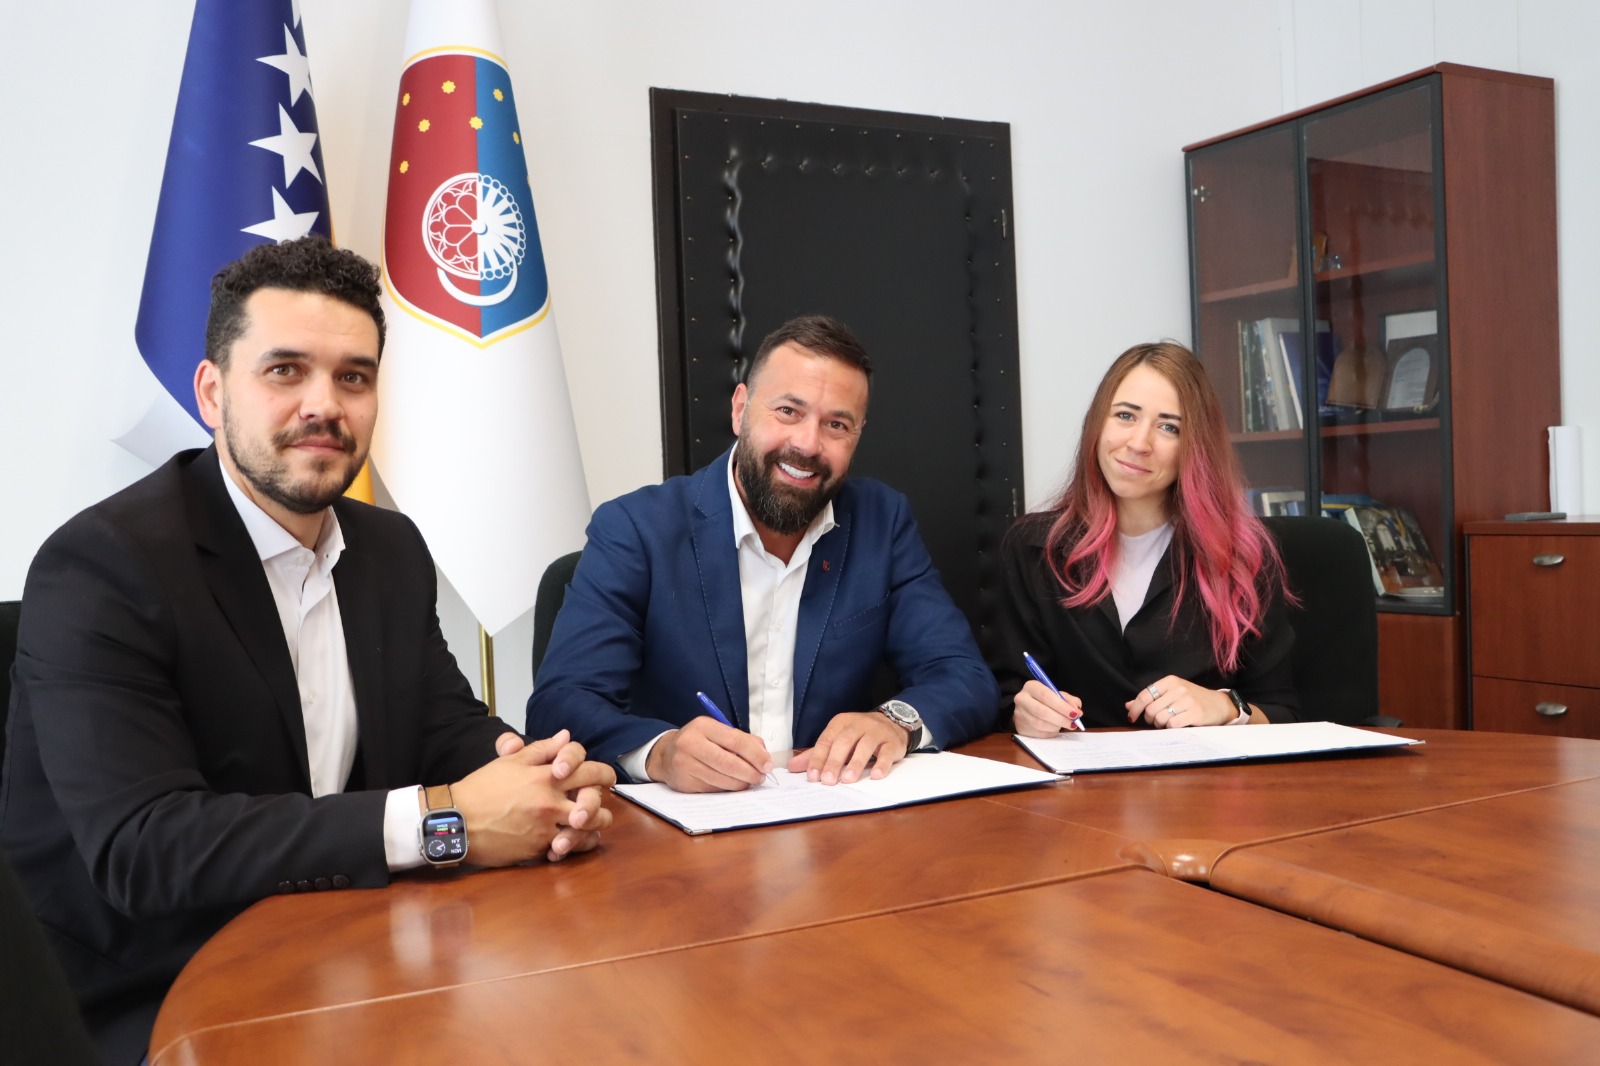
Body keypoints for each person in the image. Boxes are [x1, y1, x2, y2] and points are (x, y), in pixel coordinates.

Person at [0, 237, 615, 1063]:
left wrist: (538, 778)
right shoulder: (104, 565)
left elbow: (441, 722)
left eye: (353, 377)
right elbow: (145, 849)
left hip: (350, 945)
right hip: (154, 990)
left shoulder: (390, 548)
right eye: (285, 371)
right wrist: (449, 822)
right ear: (212, 392)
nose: (324, 405)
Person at [526, 315, 997, 792]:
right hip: (685, 826)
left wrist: (895, 722)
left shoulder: (882, 522)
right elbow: (560, 703)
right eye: (788, 411)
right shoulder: (637, 528)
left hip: (831, 815)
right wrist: (661, 752)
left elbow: (963, 676)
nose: (807, 444)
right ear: (740, 409)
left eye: (836, 424)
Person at [994, 341, 1300, 734]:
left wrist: (1226, 707)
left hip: (1202, 772)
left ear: (1195, 446)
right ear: (1097, 424)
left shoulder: (1243, 555)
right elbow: (1006, 695)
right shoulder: (1033, 548)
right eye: (1125, 415)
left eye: (1169, 427)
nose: (1139, 444)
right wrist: (1023, 712)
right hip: (1076, 772)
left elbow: (1283, 713)